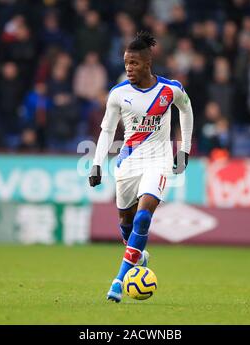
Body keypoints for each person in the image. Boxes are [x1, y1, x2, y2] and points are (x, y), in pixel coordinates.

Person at [88, 31, 194, 302]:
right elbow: (107, 130)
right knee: (126, 222)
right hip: (127, 163)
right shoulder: (119, 94)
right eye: (126, 63)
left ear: (147, 63)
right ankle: (139, 254)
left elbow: (187, 109)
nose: (128, 69)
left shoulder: (170, 90)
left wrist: (184, 149)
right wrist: (97, 163)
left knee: (144, 217)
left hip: (158, 161)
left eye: (133, 64)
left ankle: (119, 280)